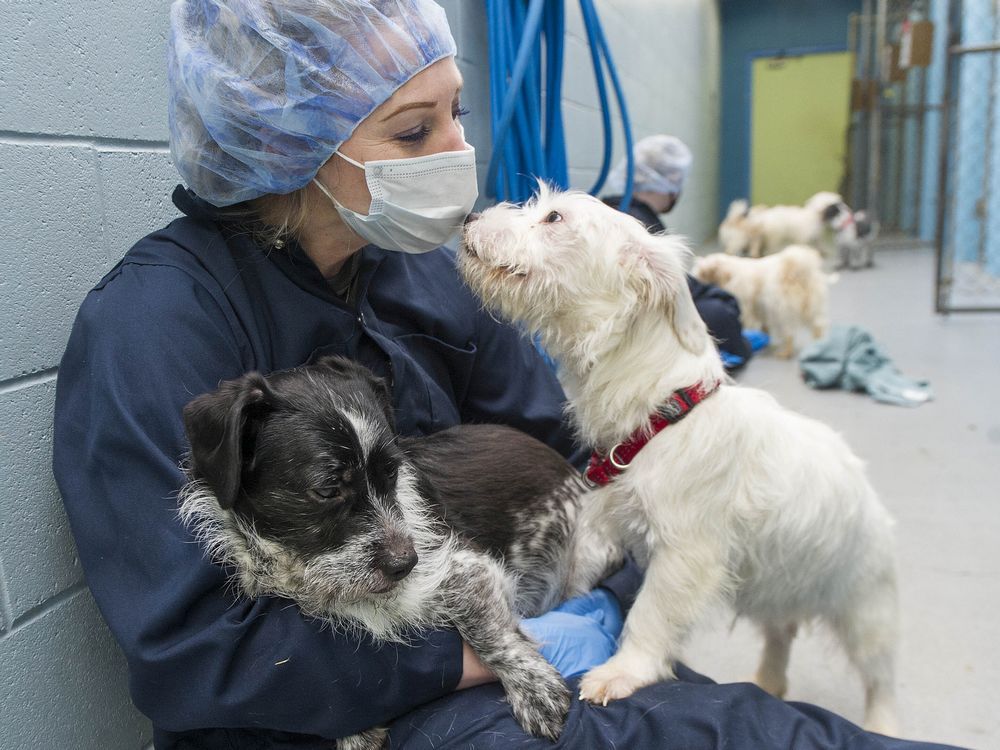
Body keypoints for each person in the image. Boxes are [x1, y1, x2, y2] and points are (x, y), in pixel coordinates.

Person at [53, 2, 960, 748]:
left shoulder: (412, 274)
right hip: (331, 710)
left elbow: (581, 452)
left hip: (506, 626)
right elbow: (192, 655)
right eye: (415, 130)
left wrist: (616, 601)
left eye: (458, 115)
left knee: (735, 723)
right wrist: (473, 657)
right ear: (287, 141)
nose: (457, 154)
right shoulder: (153, 328)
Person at [603, 134, 753, 367]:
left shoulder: (609, 206)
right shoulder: (638, 223)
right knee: (720, 313)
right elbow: (670, 288)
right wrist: (724, 300)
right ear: (670, 181)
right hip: (634, 328)